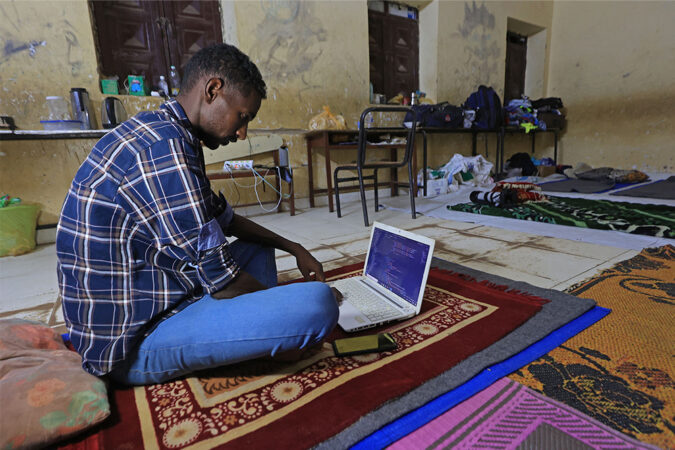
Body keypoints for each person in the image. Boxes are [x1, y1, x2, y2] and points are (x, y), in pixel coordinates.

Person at [56, 44, 339, 385]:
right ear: (213, 91)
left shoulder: (168, 132)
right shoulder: (164, 149)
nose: (242, 133)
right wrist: (285, 302)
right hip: (131, 344)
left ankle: (258, 334)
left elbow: (225, 219)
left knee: (260, 247)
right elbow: (223, 282)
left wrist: (294, 247)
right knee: (317, 304)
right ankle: (266, 334)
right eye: (243, 117)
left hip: (157, 292)